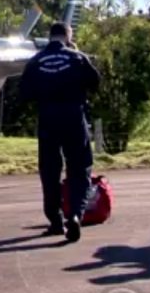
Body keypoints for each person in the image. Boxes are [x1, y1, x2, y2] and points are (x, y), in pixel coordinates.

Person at [18, 21, 100, 243]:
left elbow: (23, 93)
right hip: (74, 116)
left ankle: (55, 220)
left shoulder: (36, 61)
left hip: (48, 118)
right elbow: (96, 82)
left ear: (50, 36)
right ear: (68, 35)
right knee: (80, 167)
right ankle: (75, 214)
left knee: (50, 169)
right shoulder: (77, 57)